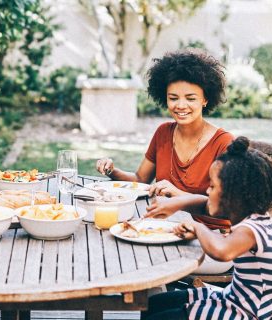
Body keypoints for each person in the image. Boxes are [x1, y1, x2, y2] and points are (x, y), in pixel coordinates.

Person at [142, 137, 272, 320]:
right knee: (154, 304)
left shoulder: (252, 229)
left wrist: (197, 227)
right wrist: (175, 204)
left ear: (232, 196)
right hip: (235, 299)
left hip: (250, 313)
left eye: (212, 186)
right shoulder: (248, 214)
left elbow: (222, 251)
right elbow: (205, 205)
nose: (207, 191)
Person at [95, 49, 234, 217]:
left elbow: (225, 207)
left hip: (206, 233)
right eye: (173, 98)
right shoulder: (163, 133)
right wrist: (111, 171)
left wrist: (177, 194)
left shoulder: (223, 143)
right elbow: (140, 180)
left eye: (191, 98)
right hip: (163, 226)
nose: (181, 105)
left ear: (205, 99)